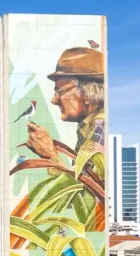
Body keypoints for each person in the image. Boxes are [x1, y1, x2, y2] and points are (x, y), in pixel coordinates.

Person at [24, 47, 105, 180]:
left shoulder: (100, 128)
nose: (54, 100)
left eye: (60, 91)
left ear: (85, 94)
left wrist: (50, 155)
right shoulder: (90, 126)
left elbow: (83, 195)